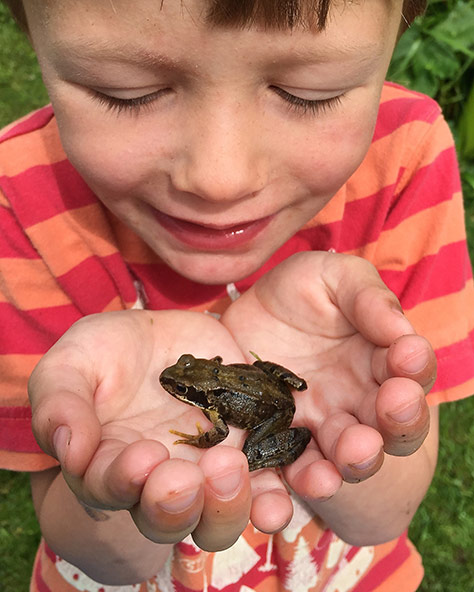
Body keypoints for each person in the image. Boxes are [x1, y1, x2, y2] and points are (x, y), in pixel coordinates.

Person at [1, 0, 472, 590]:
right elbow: (94, 553)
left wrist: (354, 421)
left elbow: (386, 514)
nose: (220, 179)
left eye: (310, 92)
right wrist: (117, 481)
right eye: (126, 92)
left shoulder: (405, 159)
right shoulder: (19, 205)